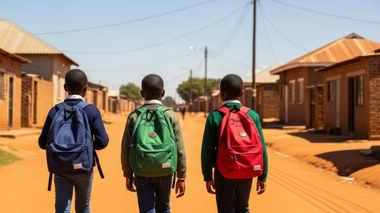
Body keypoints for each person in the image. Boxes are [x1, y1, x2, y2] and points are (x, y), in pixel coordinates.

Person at [38, 69, 109, 213]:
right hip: (84, 167)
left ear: (65, 88)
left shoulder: (55, 110)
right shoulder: (91, 110)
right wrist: (85, 148)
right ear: (86, 89)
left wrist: (62, 150)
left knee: (62, 208)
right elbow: (103, 141)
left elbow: (42, 142)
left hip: (61, 167)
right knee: (83, 208)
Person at [201, 74, 268, 213]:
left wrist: (208, 176)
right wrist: (263, 176)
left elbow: (207, 150)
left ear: (221, 93)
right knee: (243, 209)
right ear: (242, 93)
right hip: (247, 171)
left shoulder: (215, 116)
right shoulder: (252, 115)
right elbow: (262, 147)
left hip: (223, 171)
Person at [121, 74, 187, 213]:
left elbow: (126, 148)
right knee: (164, 208)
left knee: (147, 209)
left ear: (142, 93)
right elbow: (179, 148)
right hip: (165, 169)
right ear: (162, 93)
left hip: (141, 170)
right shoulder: (170, 116)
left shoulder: (134, 116)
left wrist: (128, 173)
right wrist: (181, 176)